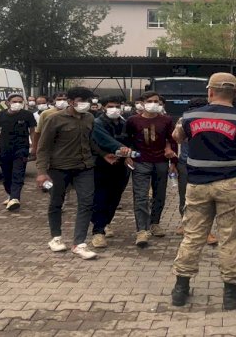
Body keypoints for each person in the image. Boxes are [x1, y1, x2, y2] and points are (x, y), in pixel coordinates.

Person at [170, 73, 236, 311]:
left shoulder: (189, 117)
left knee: (193, 236)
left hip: (197, 186)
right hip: (232, 186)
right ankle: (232, 294)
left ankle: (180, 290)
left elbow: (177, 137)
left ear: (209, 92)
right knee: (230, 238)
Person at [36, 87, 106, 260]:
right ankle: (56, 238)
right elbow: (43, 147)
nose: (84, 104)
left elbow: (91, 142)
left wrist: (106, 155)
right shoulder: (54, 119)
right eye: (80, 100)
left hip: (84, 167)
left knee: (87, 202)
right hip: (59, 168)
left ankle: (79, 243)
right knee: (56, 202)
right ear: (70, 101)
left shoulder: (89, 117)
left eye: (87, 100)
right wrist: (41, 172)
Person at [125, 91, 176, 247]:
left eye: (156, 101)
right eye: (150, 101)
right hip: (140, 161)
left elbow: (172, 140)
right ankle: (142, 230)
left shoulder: (167, 120)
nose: (153, 104)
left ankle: (155, 223)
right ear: (143, 102)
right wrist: (128, 155)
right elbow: (127, 140)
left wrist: (173, 162)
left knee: (159, 194)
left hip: (161, 162)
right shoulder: (133, 120)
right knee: (140, 196)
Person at [174, 97, 218, 246]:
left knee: (205, 199)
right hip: (187, 163)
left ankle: (206, 231)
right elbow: (177, 138)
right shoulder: (184, 120)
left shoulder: (212, 121)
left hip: (205, 165)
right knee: (185, 196)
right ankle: (185, 224)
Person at [90, 95, 131, 248]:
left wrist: (128, 153)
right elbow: (103, 140)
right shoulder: (97, 123)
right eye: (111, 106)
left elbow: (131, 140)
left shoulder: (124, 123)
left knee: (115, 198)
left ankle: (105, 223)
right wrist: (123, 150)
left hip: (121, 165)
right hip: (102, 164)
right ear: (103, 107)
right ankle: (98, 232)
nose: (114, 109)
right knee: (101, 197)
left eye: (117, 106)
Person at [0, 93, 36, 211]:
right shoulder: (0, 116)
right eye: (14, 101)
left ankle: (15, 198)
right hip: (5, 148)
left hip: (21, 148)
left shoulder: (27, 115)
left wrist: (35, 147)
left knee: (18, 172)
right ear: (8, 103)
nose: (17, 104)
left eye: (20, 101)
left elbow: (32, 132)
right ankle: (10, 195)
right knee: (7, 175)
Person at [32, 91, 68, 191]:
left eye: (64, 99)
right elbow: (38, 132)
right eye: (59, 99)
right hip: (49, 146)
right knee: (48, 167)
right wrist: (35, 148)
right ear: (53, 101)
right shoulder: (46, 114)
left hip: (66, 148)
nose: (62, 102)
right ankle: (48, 185)